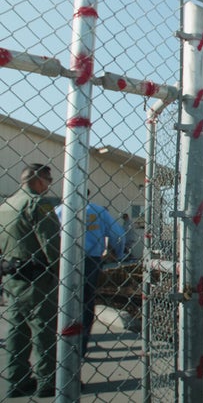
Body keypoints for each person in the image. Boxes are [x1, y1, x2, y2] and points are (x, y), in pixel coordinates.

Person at [0, 164, 60, 397]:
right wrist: (62, 271)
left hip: (13, 276)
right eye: (49, 180)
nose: (49, 185)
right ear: (39, 180)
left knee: (17, 329)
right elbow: (51, 242)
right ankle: (48, 382)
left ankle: (17, 379)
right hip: (38, 278)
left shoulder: (6, 206)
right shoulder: (38, 203)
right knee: (43, 330)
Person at [55, 192, 125, 356]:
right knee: (86, 303)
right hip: (90, 261)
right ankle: (80, 346)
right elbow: (118, 235)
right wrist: (119, 253)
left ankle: (61, 345)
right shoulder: (98, 211)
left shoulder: (59, 211)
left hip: (65, 260)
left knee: (62, 300)